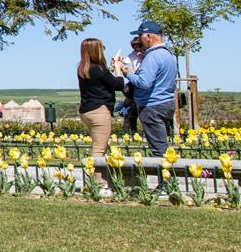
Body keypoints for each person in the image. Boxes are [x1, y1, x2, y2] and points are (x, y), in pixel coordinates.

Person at [119, 20, 178, 157]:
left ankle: (165, 176)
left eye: (140, 36)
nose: (140, 40)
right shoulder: (168, 55)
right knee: (163, 145)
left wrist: (129, 74)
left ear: (148, 36)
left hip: (152, 105)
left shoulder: (152, 56)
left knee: (159, 151)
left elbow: (144, 83)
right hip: (166, 102)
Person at [76, 37, 126, 162]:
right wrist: (118, 69)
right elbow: (118, 85)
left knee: (99, 144)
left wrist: (111, 69)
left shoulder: (83, 68)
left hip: (86, 110)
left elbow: (100, 81)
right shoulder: (99, 69)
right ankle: (98, 181)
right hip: (99, 111)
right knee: (99, 148)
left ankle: (103, 177)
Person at [118, 36, 144, 135]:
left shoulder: (148, 55)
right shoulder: (132, 55)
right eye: (134, 46)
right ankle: (128, 132)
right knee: (131, 110)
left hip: (143, 79)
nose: (136, 49)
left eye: (139, 46)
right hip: (134, 80)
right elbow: (125, 61)